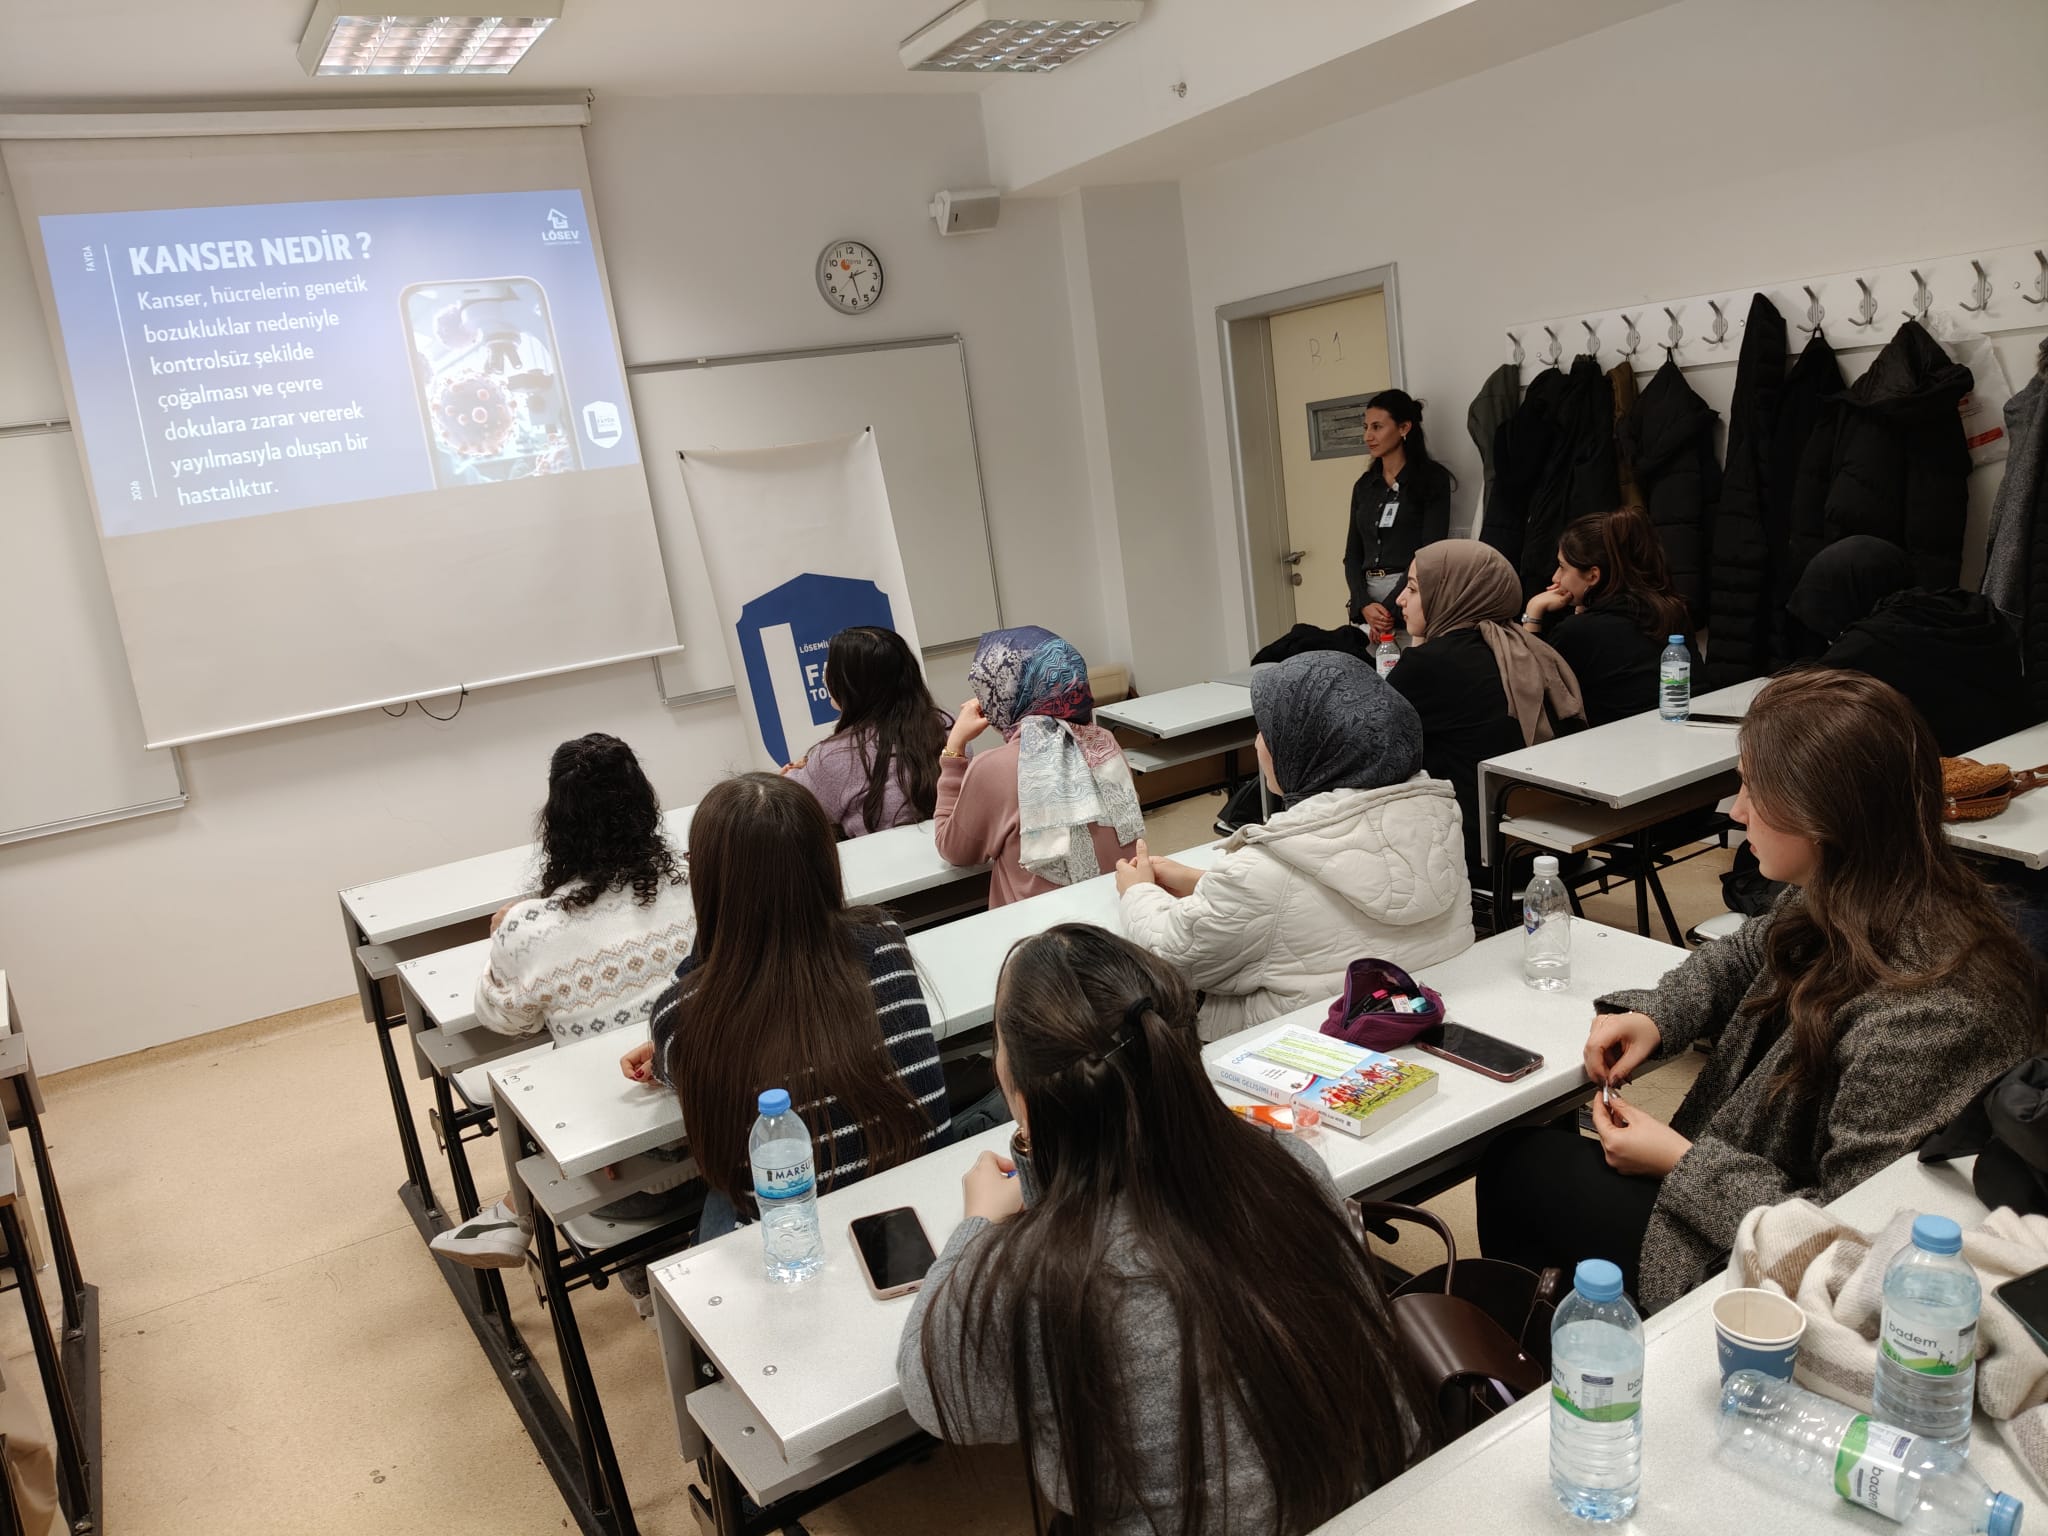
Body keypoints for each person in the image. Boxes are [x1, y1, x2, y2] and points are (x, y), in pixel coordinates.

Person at [1475, 670, 2040, 1312]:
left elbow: (1853, 1246)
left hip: (1777, 1276)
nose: (1736, 811)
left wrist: (1680, 1162)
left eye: (1753, 790)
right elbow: (1746, 952)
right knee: (1527, 1161)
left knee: (1517, 1169)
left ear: (1822, 814)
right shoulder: (1862, 883)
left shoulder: (1932, 1013)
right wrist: (1658, 1017)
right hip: (1744, 1197)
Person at [899, 924, 1433, 1535]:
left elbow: (939, 1396)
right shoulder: (1287, 1162)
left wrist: (976, 1226)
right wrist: (1043, 1159)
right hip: (1373, 1506)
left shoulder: (1035, 1276)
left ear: (1021, 1092)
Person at [621, 772, 954, 1241]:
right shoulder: (884, 939)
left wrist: (669, 1043)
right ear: (824, 859)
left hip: (801, 1243)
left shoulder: (680, 1016)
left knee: (720, 1198)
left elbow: (687, 1035)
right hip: (924, 1213)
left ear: (706, 883)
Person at [431, 733, 696, 1274]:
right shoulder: (701, 882)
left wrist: (507, 931)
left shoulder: (529, 927)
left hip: (612, 1178)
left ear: (555, 822)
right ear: (645, 806)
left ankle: (516, 1213)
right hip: (728, 1143)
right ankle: (515, 1211)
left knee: (538, 1082)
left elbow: (502, 1019)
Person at [1116, 651, 1472, 1040]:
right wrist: (1203, 881)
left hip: (1293, 1043)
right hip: (1413, 1012)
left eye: (1267, 731)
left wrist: (1138, 892)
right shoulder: (1439, 818)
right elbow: (1318, 899)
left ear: (1309, 745)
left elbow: (1172, 959)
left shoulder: (1264, 868)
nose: (1258, 742)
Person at [1388, 540, 1585, 876]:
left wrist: (1419, 646)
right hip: (1561, 845)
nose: (1400, 599)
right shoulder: (1529, 647)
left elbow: (1373, 741)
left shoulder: (1431, 665)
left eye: (1414, 588)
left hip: (1487, 858)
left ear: (1450, 594)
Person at [935, 626, 1144, 908]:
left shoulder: (992, 769)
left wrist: (954, 747)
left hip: (1042, 930)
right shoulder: (1104, 743)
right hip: (1123, 911)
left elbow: (953, 850)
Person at [1786, 535, 2027, 756]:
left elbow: (1800, 706)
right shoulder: (1966, 608)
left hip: (1943, 774)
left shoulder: (1867, 645)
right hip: (2016, 752)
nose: (1830, 639)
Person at [1518, 507, 1697, 726]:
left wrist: (1533, 611)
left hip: (1610, 743)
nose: (1556, 577)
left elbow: (1531, 697)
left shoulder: (1578, 632)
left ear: (1593, 576)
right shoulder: (1671, 610)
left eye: (1563, 567)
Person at [784, 625, 952, 839]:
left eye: (831, 668)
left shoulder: (833, 756)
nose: (825, 677)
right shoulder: (946, 725)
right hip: (956, 855)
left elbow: (789, 808)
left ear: (853, 683)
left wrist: (787, 777)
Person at [1344, 389, 1452, 635]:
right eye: (1366, 427)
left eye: (1377, 427)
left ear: (1404, 428)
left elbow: (1429, 553)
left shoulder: (1431, 479)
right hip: (1368, 605)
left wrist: (1389, 608)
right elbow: (1352, 554)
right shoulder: (1364, 486)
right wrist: (1363, 603)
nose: (1368, 436)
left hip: (1411, 596)